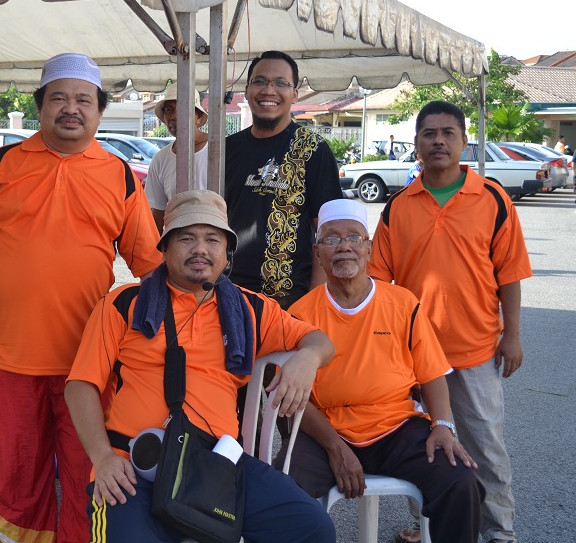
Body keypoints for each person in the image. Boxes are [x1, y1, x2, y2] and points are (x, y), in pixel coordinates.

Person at [0, 53, 162, 543]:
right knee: (16, 473)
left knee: (86, 473)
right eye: (59, 99)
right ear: (40, 106)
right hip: (6, 355)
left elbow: (150, 265)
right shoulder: (0, 164)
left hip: (87, 363)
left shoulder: (117, 175)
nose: (71, 109)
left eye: (83, 100)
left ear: (99, 110)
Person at [65, 189, 336, 543]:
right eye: (186, 238)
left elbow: (321, 341)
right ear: (164, 248)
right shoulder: (124, 304)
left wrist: (307, 359)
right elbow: (80, 385)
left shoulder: (249, 309)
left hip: (216, 467)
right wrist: (102, 459)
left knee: (312, 528)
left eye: (212, 239)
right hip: (134, 464)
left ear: (227, 252)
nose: (200, 249)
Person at [369, 100, 532, 543]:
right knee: (425, 450)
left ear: (463, 141)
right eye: (428, 133)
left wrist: (512, 336)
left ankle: (499, 532)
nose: (438, 140)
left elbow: (511, 274)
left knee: (485, 449)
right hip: (415, 357)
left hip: (476, 350)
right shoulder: (398, 206)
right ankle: (428, 527)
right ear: (417, 143)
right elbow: (379, 282)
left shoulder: (493, 198)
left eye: (447, 133)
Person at [278, 198, 484, 543]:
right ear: (317, 252)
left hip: (397, 426)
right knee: (279, 494)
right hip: (325, 431)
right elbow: (296, 400)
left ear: (369, 248)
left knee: (460, 482)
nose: (343, 246)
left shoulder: (403, 303)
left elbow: (432, 373)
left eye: (353, 237)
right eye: (331, 239)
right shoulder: (299, 315)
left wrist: (443, 427)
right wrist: (335, 448)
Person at [224, 50, 342, 310]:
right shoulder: (226, 149)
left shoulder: (312, 149)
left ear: (295, 94)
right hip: (227, 294)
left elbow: (329, 233)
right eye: (260, 81)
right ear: (247, 89)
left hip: (289, 303)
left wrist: (313, 304)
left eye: (280, 83)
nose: (269, 90)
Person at [144, 82, 209, 233]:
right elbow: (157, 215)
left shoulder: (220, 150)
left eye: (182, 109)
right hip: (177, 244)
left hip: (216, 244)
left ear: (198, 117)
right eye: (169, 110)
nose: (173, 116)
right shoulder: (160, 159)